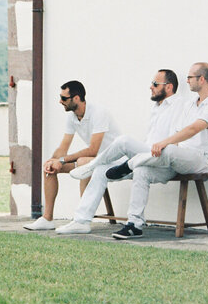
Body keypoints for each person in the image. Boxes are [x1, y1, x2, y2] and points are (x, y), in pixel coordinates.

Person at [75, 62, 208, 241]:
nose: (186, 81)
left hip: (202, 160)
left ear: (202, 79)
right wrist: (163, 146)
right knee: (142, 169)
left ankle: (130, 163)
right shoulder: (190, 105)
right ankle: (134, 225)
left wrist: (163, 143)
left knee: (168, 150)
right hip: (174, 158)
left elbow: (193, 129)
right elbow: (179, 131)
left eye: (189, 77)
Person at [57, 69, 183, 234]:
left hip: (165, 159)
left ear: (169, 87)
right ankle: (82, 221)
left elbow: (180, 138)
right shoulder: (156, 108)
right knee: (102, 171)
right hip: (146, 160)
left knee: (123, 141)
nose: (150, 87)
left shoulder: (180, 105)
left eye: (155, 84)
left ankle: (92, 164)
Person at [23, 80, 121, 231]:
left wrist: (62, 160)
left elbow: (93, 150)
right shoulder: (72, 116)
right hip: (95, 160)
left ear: (76, 98)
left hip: (115, 160)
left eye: (64, 98)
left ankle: (82, 221)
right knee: (49, 167)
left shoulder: (99, 113)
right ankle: (47, 219)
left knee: (83, 162)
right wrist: (54, 161)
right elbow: (64, 147)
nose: (60, 101)